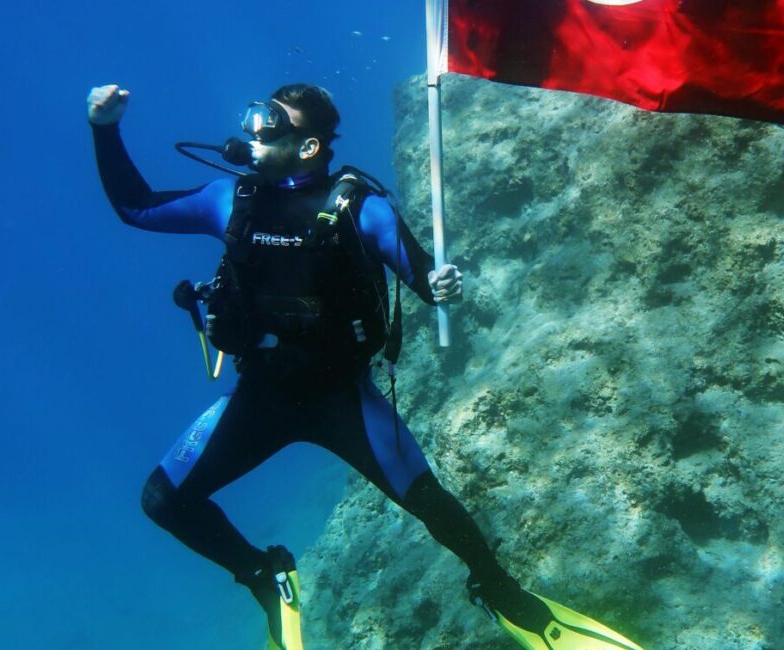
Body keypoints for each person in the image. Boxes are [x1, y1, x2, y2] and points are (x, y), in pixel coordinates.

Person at [86, 82, 557, 648]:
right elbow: (136, 207)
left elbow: (424, 280)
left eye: (268, 124)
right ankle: (264, 574)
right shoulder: (230, 200)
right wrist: (104, 129)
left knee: (428, 500)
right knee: (163, 501)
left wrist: (440, 285)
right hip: (261, 396)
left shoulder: (362, 210)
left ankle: (499, 587)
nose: (251, 133)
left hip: (343, 398)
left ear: (308, 146)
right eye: (254, 119)